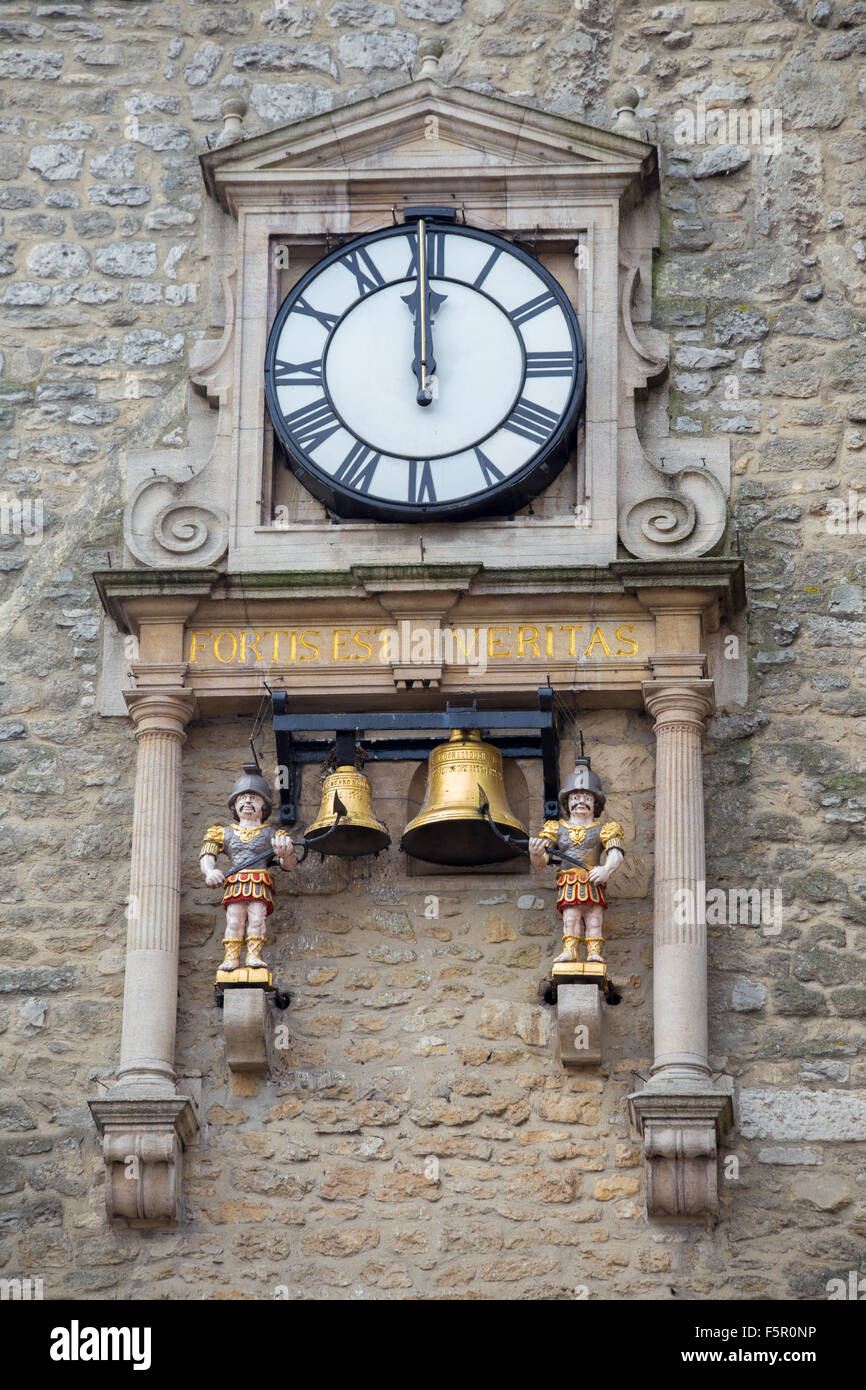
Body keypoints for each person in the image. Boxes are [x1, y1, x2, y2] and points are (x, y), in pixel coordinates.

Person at [199, 764, 297, 972]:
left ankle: (253, 955)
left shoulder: (272, 834)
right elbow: (208, 854)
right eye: (241, 798)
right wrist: (210, 871)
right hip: (235, 882)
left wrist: (286, 853)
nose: (247, 802)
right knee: (234, 920)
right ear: (234, 806)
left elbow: (289, 865)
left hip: (260, 880)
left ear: (264, 806)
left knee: (257, 918)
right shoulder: (223, 832)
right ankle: (231, 958)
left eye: (254, 798)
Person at [528, 759, 624, 967]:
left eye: (587, 797)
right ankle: (570, 951)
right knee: (570, 919)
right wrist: (536, 854)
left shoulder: (605, 829)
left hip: (593, 880)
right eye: (575, 797)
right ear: (567, 802)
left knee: (594, 919)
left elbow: (615, 852)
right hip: (569, 881)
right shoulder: (555, 828)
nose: (581, 801)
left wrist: (607, 869)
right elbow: (541, 862)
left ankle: (594, 952)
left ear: (595, 803)